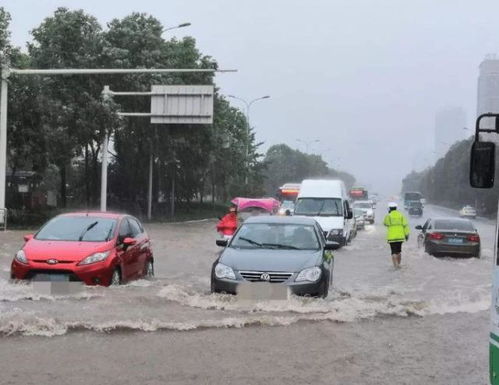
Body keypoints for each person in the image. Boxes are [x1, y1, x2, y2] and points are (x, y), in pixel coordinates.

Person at [383, 202, 409, 269]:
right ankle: (399, 264)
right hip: (400, 237)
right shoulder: (401, 215)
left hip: (392, 237)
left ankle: (395, 266)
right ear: (396, 208)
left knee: (393, 251)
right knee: (399, 251)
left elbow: (385, 223)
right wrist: (406, 235)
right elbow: (405, 226)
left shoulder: (388, 216)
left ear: (389, 209)